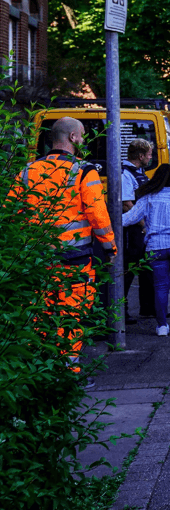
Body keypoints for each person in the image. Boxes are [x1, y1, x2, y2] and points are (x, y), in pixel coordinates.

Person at [12, 117, 116, 367]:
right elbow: (98, 215)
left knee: (38, 314)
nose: (83, 139)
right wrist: (109, 246)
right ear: (72, 138)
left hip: (35, 260)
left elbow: (12, 212)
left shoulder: (27, 171)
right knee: (71, 313)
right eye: (81, 135)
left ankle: (38, 371)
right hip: (74, 260)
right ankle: (68, 372)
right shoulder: (83, 171)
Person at [121, 164, 170, 336]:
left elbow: (128, 219)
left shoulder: (149, 198)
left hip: (156, 248)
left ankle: (162, 326)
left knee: (160, 287)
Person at [121, 139, 156, 323]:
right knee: (128, 269)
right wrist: (144, 226)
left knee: (146, 268)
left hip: (141, 229)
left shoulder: (139, 173)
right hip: (132, 231)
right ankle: (121, 311)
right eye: (149, 154)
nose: (151, 157)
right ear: (141, 156)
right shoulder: (125, 174)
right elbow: (127, 204)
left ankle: (149, 307)